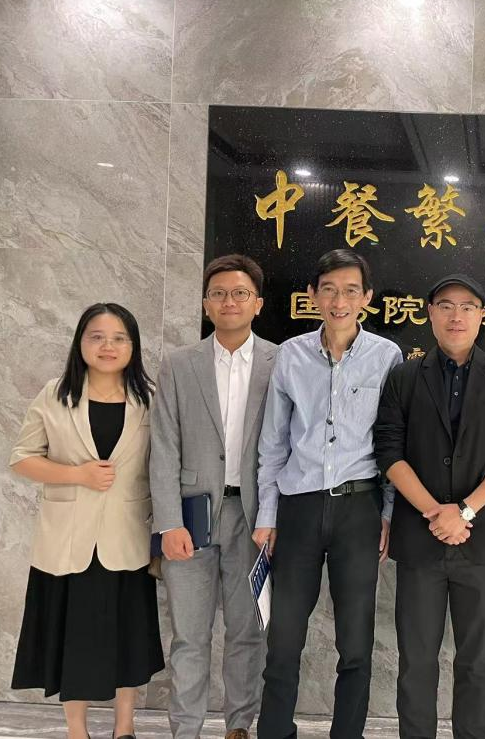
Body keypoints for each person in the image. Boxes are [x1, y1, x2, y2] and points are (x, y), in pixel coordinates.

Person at [254, 249, 402, 739]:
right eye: (330, 290)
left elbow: (392, 443)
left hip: (359, 509)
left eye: (351, 291)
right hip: (298, 508)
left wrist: (387, 513)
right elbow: (274, 442)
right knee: (284, 638)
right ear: (313, 295)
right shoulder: (290, 355)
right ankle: (276, 731)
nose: (340, 301)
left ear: (367, 297)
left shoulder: (386, 356)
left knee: (355, 641)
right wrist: (268, 515)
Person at [375, 273, 485, 739]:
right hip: (420, 545)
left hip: (479, 544)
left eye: (467, 307)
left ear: (482, 316)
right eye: (445, 306)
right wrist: (435, 512)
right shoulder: (404, 376)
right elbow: (389, 451)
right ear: (430, 314)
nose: (456, 316)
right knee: (416, 661)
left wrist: (463, 512)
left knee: (477, 662)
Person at [10, 303, 163, 739]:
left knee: (129, 638)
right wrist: (76, 474)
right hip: (67, 539)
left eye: (118, 338)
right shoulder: (55, 394)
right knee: (72, 638)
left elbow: (165, 463)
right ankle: (76, 730)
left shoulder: (149, 399)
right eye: (97, 336)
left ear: (133, 346)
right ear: (81, 343)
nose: (107, 346)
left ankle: (124, 726)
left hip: (128, 536)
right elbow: (22, 458)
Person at [150, 254, 278, 739]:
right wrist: (168, 522)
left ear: (258, 303)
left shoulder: (281, 362)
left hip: (253, 516)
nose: (230, 301)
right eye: (219, 293)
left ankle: (238, 726)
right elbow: (163, 446)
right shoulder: (180, 364)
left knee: (247, 631)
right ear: (206, 304)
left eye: (240, 293)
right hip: (190, 515)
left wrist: (274, 515)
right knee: (189, 635)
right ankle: (186, 729)